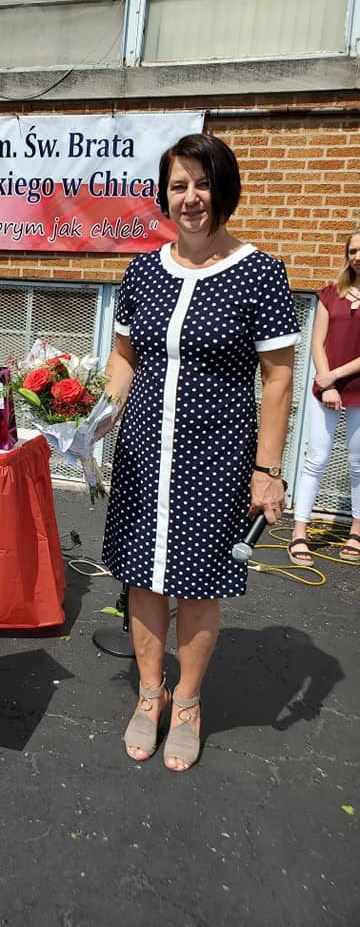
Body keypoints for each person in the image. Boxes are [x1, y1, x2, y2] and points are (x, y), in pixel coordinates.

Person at [102, 133, 299, 771]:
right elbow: (124, 357)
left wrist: (267, 471)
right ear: (164, 194)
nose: (191, 197)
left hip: (215, 457)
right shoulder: (143, 271)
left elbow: (278, 379)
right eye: (179, 185)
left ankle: (186, 702)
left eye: (204, 183)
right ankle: (149, 693)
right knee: (141, 576)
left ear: (224, 190)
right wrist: (95, 416)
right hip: (143, 452)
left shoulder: (260, 273)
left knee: (197, 582)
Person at [289, 229, 360, 566]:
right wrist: (327, 382)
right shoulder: (330, 293)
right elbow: (317, 342)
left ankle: (356, 531)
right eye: (353, 251)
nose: (357, 257)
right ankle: (299, 531)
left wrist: (335, 375)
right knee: (315, 459)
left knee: (359, 464)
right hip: (326, 388)